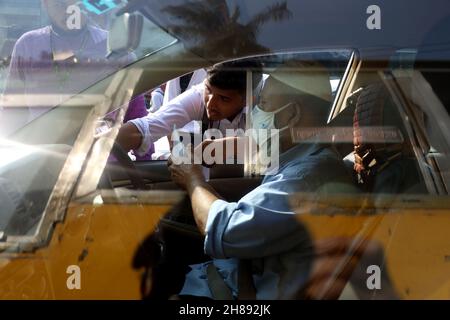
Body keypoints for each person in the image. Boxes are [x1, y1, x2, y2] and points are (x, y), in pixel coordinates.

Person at [167, 61, 358, 299]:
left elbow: (224, 230)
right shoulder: (303, 155)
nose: (256, 111)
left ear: (292, 114)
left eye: (263, 104)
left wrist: (193, 179)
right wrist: (224, 148)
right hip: (236, 276)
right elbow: (259, 153)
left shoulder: (304, 179)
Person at [0, 0, 152, 157]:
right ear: (45, 4)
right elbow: (12, 112)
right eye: (59, 5)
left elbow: (136, 114)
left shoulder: (117, 49)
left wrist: (147, 169)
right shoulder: (28, 45)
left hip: (100, 167)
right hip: (38, 163)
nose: (68, 11)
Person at [116, 60, 262, 160]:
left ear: (248, 100)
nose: (210, 104)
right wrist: (100, 147)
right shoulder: (199, 95)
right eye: (208, 90)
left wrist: (228, 146)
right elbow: (147, 126)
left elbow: (275, 149)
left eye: (224, 99)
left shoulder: (268, 100)